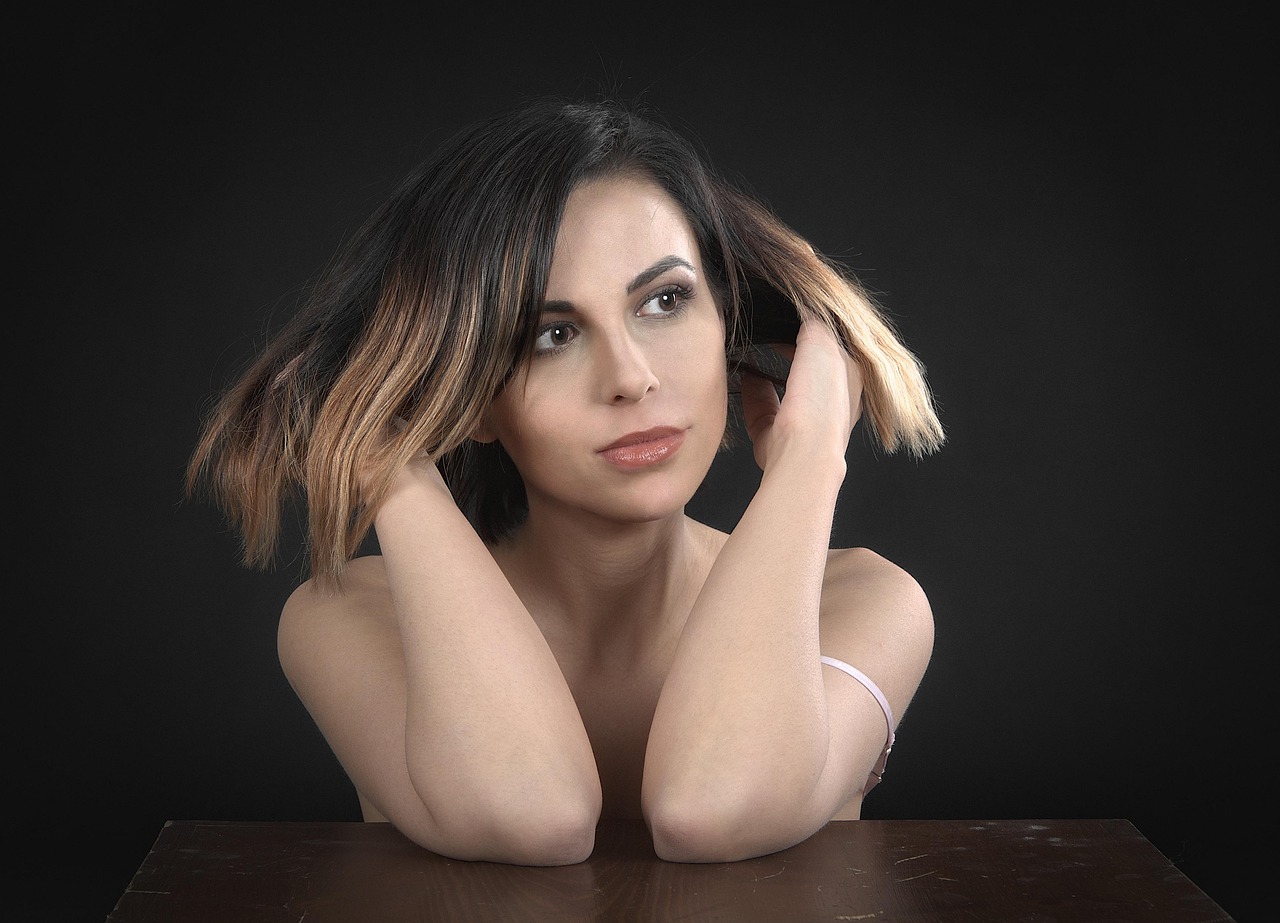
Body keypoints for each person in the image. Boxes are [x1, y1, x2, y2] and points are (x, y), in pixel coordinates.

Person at [186, 96, 945, 866]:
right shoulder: (352, 614)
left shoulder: (861, 602)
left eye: (665, 300)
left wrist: (812, 458)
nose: (630, 377)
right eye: (552, 334)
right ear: (470, 398)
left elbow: (712, 808)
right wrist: (388, 460)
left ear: (729, 321)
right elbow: (536, 815)